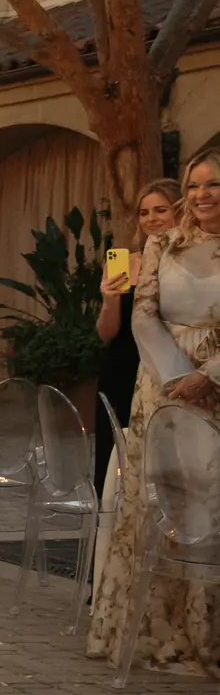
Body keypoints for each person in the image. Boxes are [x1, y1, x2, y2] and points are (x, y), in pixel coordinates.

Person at [88, 153, 220, 668]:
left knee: (210, 506)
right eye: (196, 184)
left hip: (214, 389)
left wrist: (209, 376)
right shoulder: (163, 244)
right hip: (161, 389)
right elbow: (142, 316)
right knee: (161, 504)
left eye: (214, 184)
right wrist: (176, 376)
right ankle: (160, 630)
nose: (204, 193)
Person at [95, 180, 183, 493]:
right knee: (117, 463)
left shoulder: (191, 264)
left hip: (170, 370)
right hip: (122, 370)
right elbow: (106, 334)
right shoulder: (123, 261)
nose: (152, 218)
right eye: (144, 212)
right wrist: (110, 298)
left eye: (161, 209)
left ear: (180, 211)